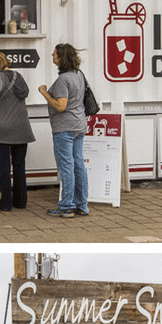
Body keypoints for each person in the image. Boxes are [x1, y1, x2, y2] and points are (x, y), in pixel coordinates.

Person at [0, 51, 35, 211]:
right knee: (19, 166)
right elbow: (26, 92)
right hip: (21, 127)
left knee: (4, 166)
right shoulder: (18, 76)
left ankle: (5, 203)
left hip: (2, 128)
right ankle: (21, 201)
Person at [38, 43, 89, 218]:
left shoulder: (63, 79)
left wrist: (45, 93)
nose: (52, 56)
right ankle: (82, 205)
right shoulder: (79, 75)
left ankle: (66, 205)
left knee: (66, 167)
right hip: (79, 125)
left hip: (64, 128)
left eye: (54, 54)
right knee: (78, 165)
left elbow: (61, 106)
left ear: (61, 58)